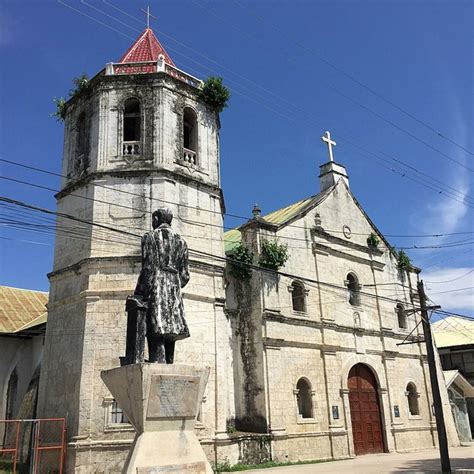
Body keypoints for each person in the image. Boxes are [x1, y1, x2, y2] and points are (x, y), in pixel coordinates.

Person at [134, 207, 190, 363]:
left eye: (153, 219)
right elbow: (185, 275)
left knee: (156, 327)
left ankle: (157, 362)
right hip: (174, 288)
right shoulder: (181, 242)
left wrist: (141, 292)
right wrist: (175, 284)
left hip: (157, 284)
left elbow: (148, 267)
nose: (152, 222)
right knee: (171, 329)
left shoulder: (150, 237)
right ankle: (169, 363)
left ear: (157, 219)